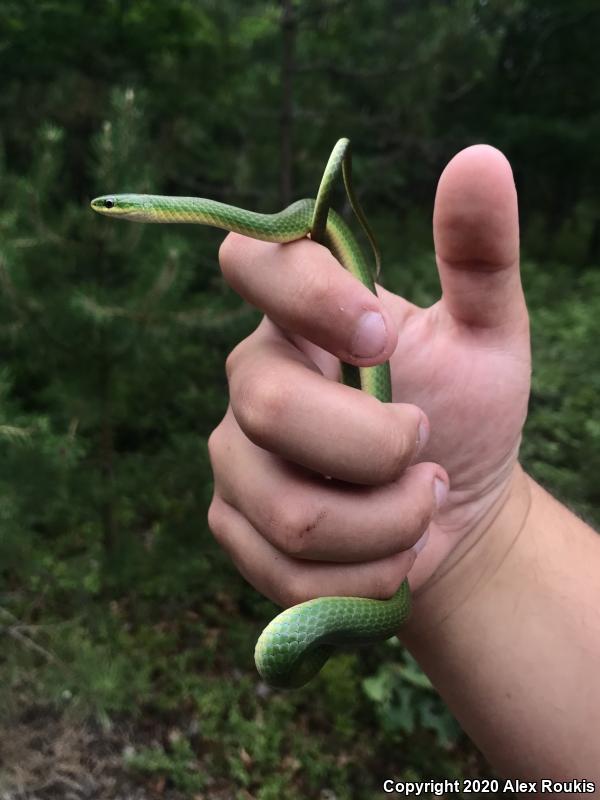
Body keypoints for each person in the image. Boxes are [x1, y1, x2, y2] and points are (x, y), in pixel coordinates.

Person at [207, 145, 600, 780]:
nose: (108, 210)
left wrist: (482, 525)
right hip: (452, 528)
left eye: (112, 205)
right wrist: (485, 526)